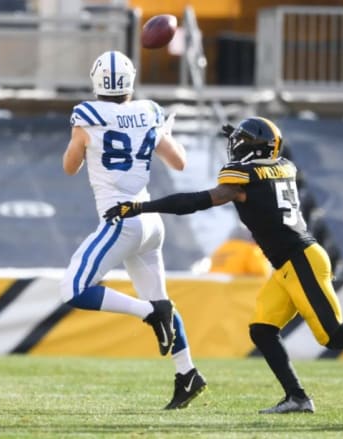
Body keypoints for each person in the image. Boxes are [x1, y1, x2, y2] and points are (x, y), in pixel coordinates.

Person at [104, 116, 343, 414]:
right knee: (262, 329)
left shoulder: (244, 176)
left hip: (300, 259)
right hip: (290, 263)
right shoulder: (283, 166)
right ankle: (297, 397)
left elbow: (197, 201)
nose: (234, 145)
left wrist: (141, 206)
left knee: (333, 335)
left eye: (240, 139)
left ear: (251, 146)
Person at [60, 50, 206, 410]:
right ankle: (187, 374)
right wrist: (162, 133)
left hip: (120, 219)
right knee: (163, 301)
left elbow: (70, 167)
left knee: (74, 289)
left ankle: (146, 313)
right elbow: (179, 160)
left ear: (96, 81)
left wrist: (82, 138)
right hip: (151, 219)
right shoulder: (150, 112)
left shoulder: (87, 115)